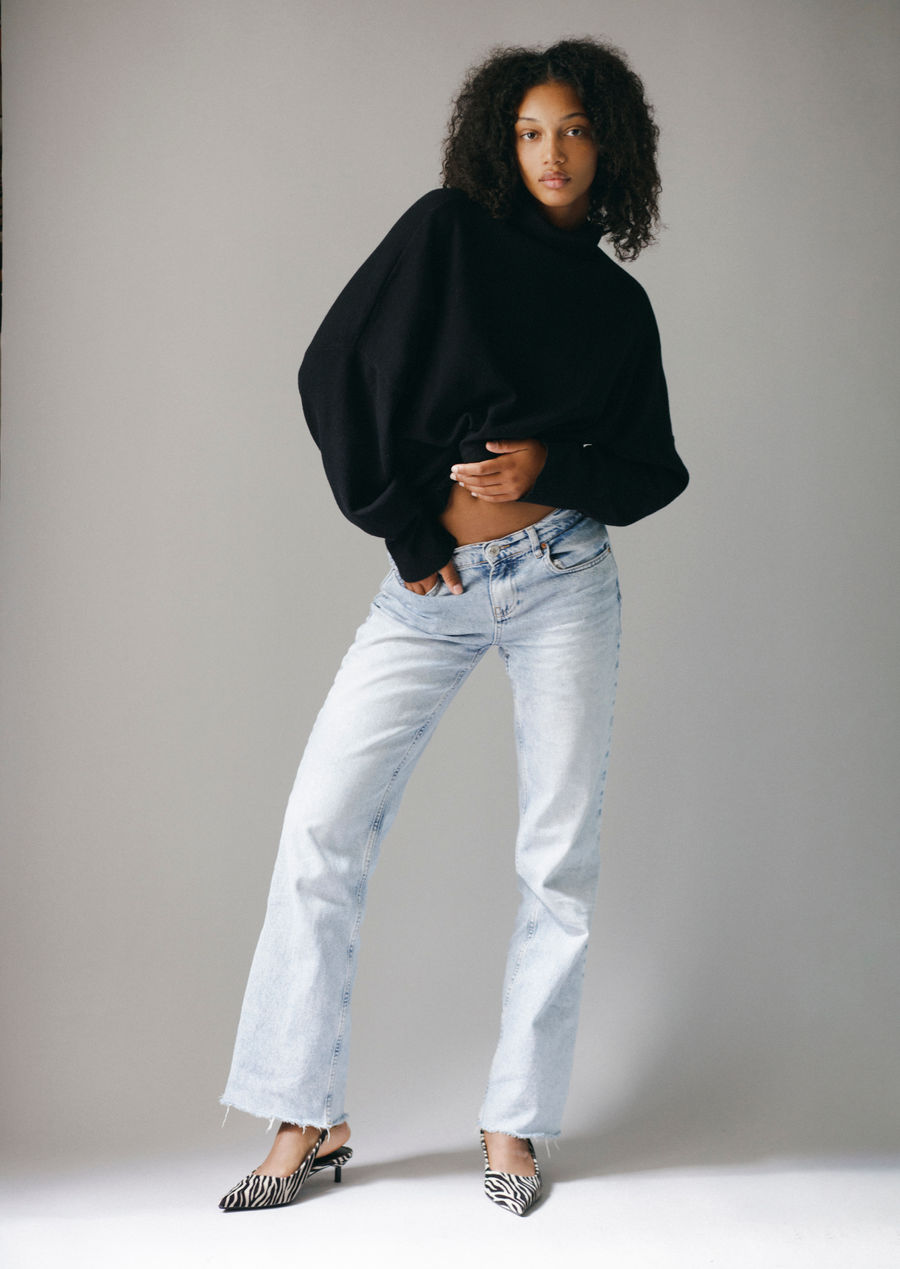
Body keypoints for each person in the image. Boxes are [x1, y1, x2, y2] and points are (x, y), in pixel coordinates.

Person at [218, 36, 688, 1217]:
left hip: (565, 578)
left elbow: (652, 470)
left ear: (609, 146)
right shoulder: (446, 234)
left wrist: (550, 464)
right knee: (321, 826)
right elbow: (331, 370)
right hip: (431, 593)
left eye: (573, 130)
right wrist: (405, 531)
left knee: (556, 861)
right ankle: (305, 1116)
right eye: (530, 132)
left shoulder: (618, 307)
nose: (552, 153)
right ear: (500, 141)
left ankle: (513, 1123)